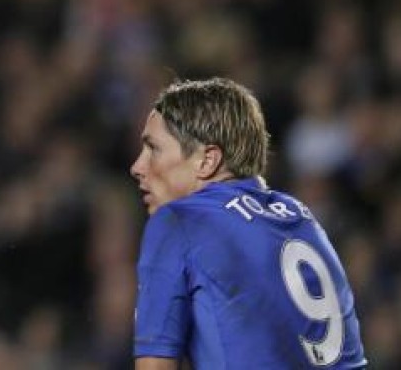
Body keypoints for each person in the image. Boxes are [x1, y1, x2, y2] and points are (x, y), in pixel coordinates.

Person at [129, 77, 366, 369]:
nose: (137, 167)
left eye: (153, 148)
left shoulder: (181, 219)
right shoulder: (300, 216)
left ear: (207, 161)